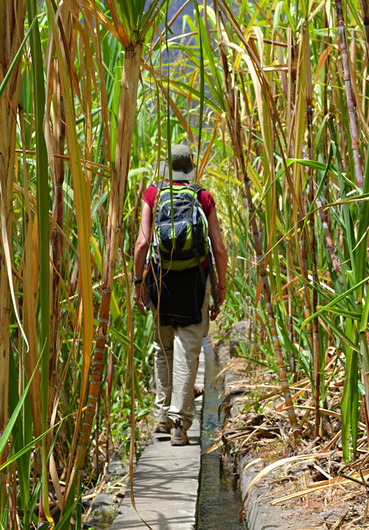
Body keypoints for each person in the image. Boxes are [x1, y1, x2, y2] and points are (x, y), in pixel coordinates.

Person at [133, 144, 228, 446]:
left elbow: (142, 244)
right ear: (189, 169)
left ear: (166, 169)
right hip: (195, 281)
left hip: (159, 282)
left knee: (164, 348)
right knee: (187, 350)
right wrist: (220, 287)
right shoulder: (202, 197)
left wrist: (138, 282)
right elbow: (219, 248)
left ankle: (162, 416)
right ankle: (179, 424)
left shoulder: (153, 194)